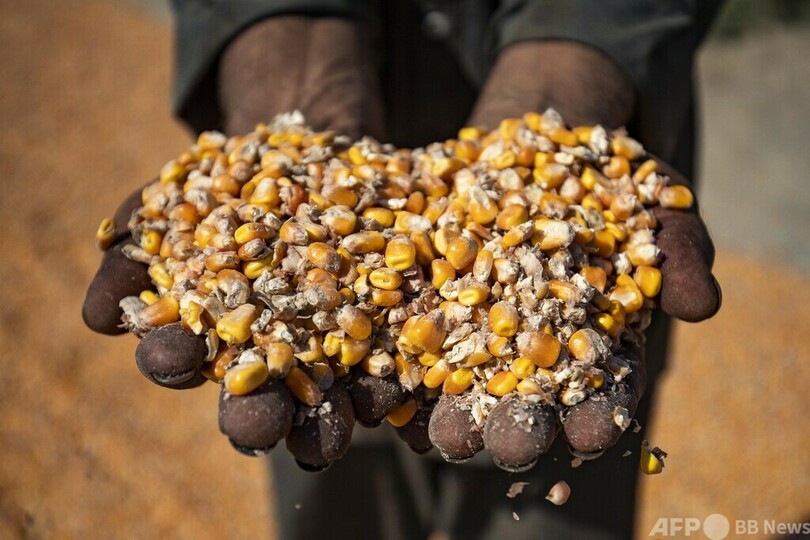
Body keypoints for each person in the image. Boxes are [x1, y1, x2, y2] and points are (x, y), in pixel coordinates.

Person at [83, 1, 723, 538]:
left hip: (589, 91)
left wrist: (582, 47)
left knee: (558, 498)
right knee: (337, 486)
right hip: (342, 364)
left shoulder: (572, 245)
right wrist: (283, 27)